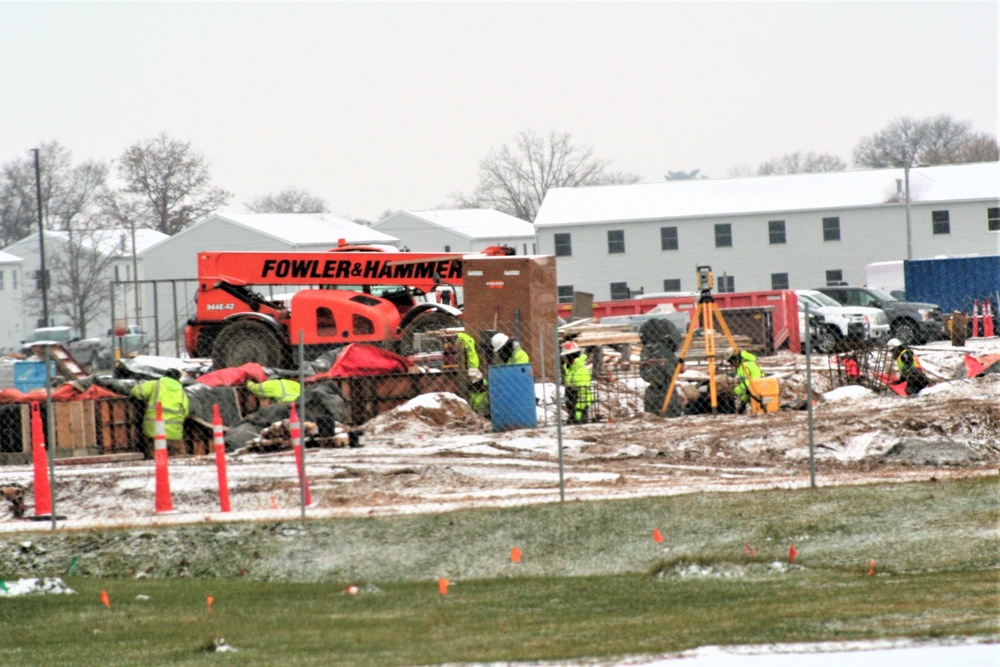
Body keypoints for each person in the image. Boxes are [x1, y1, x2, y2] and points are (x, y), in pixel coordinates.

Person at [131, 368, 190, 457]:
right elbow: (185, 412)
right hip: (174, 433)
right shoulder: (181, 392)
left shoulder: (155, 384)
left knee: (155, 457)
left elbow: (136, 391)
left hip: (154, 430)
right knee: (178, 458)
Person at [560, 341, 594, 424]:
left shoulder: (580, 370)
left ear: (570, 356)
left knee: (580, 425)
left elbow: (584, 392)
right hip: (572, 406)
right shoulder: (570, 369)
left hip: (579, 406)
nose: (564, 359)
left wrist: (579, 409)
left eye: (565, 356)